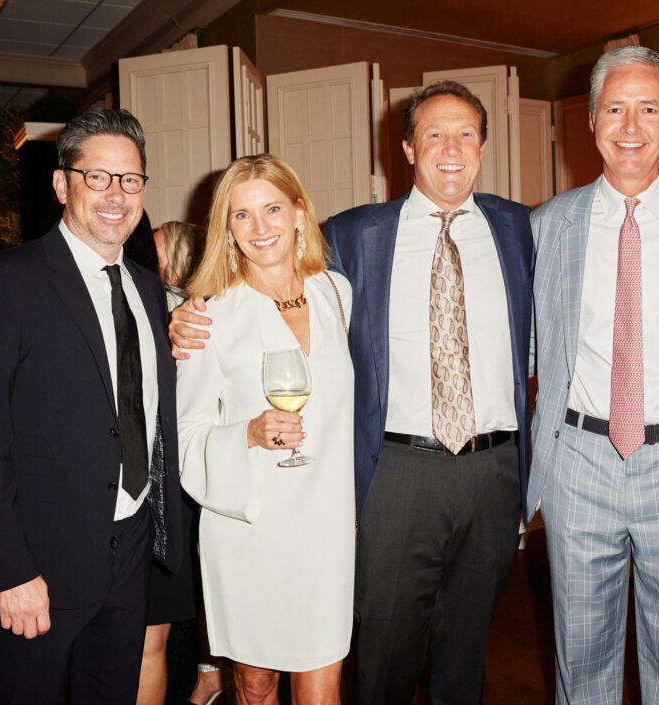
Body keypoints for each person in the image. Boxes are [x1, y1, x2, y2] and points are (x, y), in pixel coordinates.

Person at [170, 80, 534, 705]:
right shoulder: (358, 238)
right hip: (390, 479)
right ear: (407, 148)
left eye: (465, 134)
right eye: (433, 135)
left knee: (464, 653)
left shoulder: (522, 228)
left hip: (485, 473)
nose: (450, 149)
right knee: (378, 660)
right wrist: (178, 314)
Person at [0, 108, 182, 704]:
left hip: (129, 558)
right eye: (96, 176)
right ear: (61, 184)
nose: (116, 194)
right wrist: (9, 571)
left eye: (130, 180)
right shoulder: (1, 283)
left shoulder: (151, 292)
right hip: (38, 566)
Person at [529, 46, 659, 704]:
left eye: (649, 108)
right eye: (615, 107)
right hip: (578, 460)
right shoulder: (545, 226)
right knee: (579, 653)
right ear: (591, 119)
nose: (630, 124)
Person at [175, 154, 354, 705]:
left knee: (321, 688)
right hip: (250, 525)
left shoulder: (336, 294)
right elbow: (188, 437)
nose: (261, 228)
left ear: (300, 212)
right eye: (242, 215)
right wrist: (248, 433)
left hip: (326, 523)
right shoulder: (208, 315)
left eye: (273, 208)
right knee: (255, 684)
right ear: (226, 230)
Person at [137, 218, 210, 705]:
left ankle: (205, 677)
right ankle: (205, 677)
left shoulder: (185, 318)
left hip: (176, 489)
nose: (151, 259)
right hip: (165, 489)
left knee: (154, 636)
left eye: (160, 252)